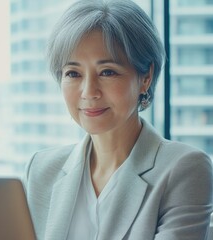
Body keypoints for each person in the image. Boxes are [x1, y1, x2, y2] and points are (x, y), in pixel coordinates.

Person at [23, 0, 213, 239]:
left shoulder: (184, 168)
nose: (89, 92)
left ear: (146, 77)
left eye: (107, 72)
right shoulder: (42, 169)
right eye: (73, 73)